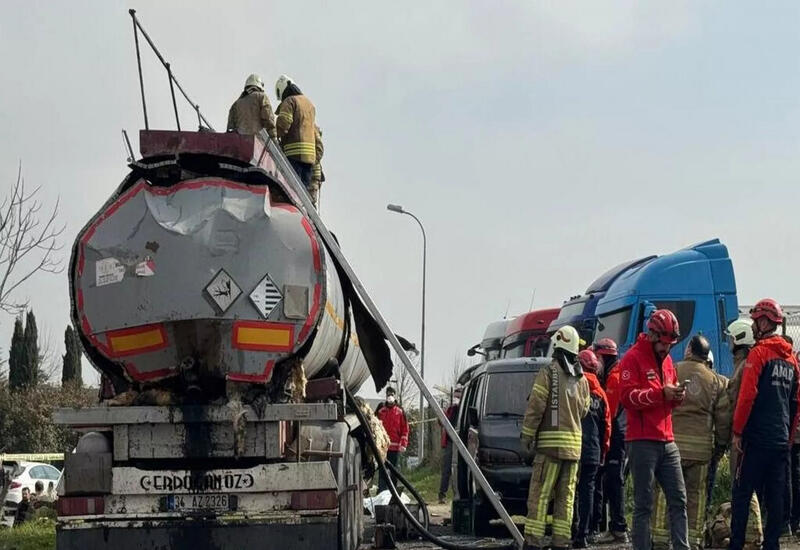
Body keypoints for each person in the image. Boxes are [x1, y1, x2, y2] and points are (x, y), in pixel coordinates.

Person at [730, 299, 800, 550]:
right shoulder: (792, 361)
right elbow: (796, 403)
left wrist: (737, 432)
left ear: (763, 322)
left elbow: (747, 396)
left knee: (742, 494)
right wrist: (789, 437)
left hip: (756, 441)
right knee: (776, 498)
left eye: (756, 320)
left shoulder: (758, 354)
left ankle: (736, 544)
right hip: (781, 441)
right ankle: (772, 545)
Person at [651, 334, 731, 550]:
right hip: (701, 452)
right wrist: (721, 447)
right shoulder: (715, 380)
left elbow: (657, 404)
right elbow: (723, 419)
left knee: (663, 493)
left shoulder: (672, 371)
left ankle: (659, 539)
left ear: (688, 350)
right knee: (696, 497)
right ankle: (693, 541)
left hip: (670, 447)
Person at [619, 308, 689, 550]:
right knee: (643, 504)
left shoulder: (669, 361)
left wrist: (677, 396)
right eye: (663, 343)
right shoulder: (631, 358)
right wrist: (661, 394)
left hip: (667, 440)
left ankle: (682, 546)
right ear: (652, 334)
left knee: (679, 499)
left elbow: (667, 397)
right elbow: (628, 397)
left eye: (671, 344)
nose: (666, 348)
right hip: (641, 441)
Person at [520, 325, 590, 550]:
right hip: (574, 451)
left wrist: (527, 437)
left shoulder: (548, 373)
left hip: (550, 450)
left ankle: (533, 542)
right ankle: (561, 542)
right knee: (565, 500)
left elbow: (536, 407)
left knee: (540, 495)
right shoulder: (582, 380)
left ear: (557, 347)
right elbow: (585, 411)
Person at [725, 318, 763, 549]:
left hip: (741, 437)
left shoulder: (743, 368)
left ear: (739, 339)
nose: (728, 341)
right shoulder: (744, 364)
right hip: (747, 436)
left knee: (742, 487)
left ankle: (752, 535)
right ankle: (752, 534)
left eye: (731, 337)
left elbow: (737, 403)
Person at [572, 349, 610, 548]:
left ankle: (571, 529)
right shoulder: (601, 394)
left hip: (573, 448)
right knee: (588, 490)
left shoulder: (575, 386)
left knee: (571, 490)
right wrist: (603, 451)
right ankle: (583, 534)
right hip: (593, 451)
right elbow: (607, 427)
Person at [594, 337, 630, 544]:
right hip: (615, 435)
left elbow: (610, 412)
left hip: (617, 436)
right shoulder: (610, 375)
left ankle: (618, 528)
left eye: (597, 357)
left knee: (614, 481)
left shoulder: (615, 378)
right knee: (609, 481)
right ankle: (613, 527)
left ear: (604, 357)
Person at [275, 75, 319, 193]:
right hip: (309, 158)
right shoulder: (309, 105)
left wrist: (274, 135)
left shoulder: (290, 101)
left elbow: (284, 123)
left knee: (291, 193)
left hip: (294, 155)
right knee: (303, 194)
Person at [375, 386, 409, 492]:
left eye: (392, 395)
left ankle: (394, 493)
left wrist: (403, 443)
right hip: (383, 448)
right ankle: (382, 493)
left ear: (395, 396)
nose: (390, 397)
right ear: (386, 396)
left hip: (395, 449)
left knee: (394, 472)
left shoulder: (399, 412)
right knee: (383, 472)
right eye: (388, 395)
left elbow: (405, 429)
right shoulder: (381, 411)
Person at [438, 387, 461, 503]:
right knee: (446, 469)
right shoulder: (450, 409)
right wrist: (445, 409)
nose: (456, 399)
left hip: (461, 443)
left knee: (459, 469)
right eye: (455, 396)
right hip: (449, 442)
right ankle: (442, 495)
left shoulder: (463, 409)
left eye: (458, 396)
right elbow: (440, 422)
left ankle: (459, 494)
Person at [308, 125, 325, 208]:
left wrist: (311, 162)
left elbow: (319, 149)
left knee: (310, 202)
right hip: (308, 171)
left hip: (313, 174)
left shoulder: (312, 129)